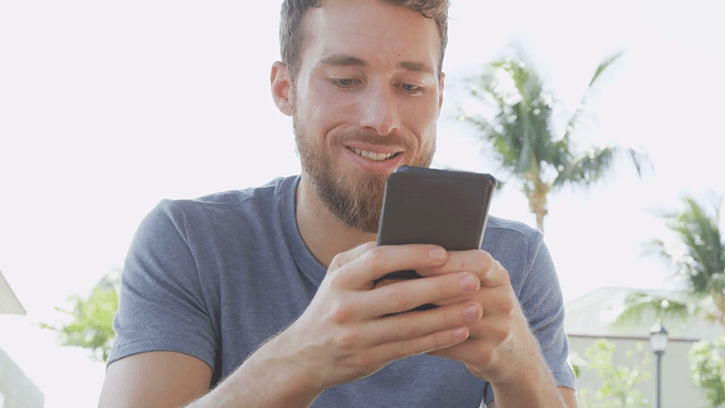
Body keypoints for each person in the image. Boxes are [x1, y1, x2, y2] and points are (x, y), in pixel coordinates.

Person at [98, 0, 578, 407]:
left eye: (410, 87)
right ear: (285, 88)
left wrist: (520, 369)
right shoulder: (189, 242)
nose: (381, 119)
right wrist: (302, 359)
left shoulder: (514, 260)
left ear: (439, 97)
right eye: (346, 80)